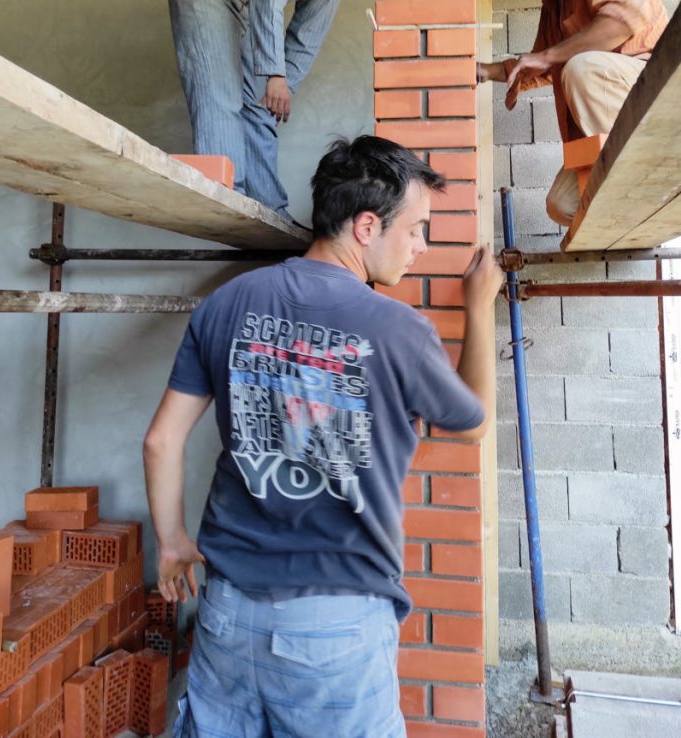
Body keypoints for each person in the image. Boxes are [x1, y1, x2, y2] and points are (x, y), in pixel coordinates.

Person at [143, 134, 502, 738]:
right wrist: (480, 306)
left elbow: (160, 441)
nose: (421, 246)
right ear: (366, 226)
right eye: (416, 229)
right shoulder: (397, 329)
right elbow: (475, 425)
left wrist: (173, 540)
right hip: (335, 629)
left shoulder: (226, 303)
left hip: (226, 613)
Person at [168, 0, 394, 219]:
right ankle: (228, 196)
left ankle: (269, 208)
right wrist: (273, 72)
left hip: (241, 11)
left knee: (261, 104)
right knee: (221, 93)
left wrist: (282, 86)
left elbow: (310, 31)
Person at [478, 0, 669, 225]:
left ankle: (642, 179)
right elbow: (537, 68)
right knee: (561, 204)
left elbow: (625, 19)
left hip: (653, 95)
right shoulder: (553, 3)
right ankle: (626, 220)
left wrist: (550, 56)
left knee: (579, 68)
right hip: (615, 120)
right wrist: (483, 72)